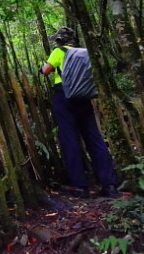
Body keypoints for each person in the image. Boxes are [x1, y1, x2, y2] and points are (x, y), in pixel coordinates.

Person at [40, 27, 120, 198]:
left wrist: (43, 68)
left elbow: (46, 71)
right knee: (94, 138)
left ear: (60, 41)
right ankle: (109, 184)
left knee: (70, 139)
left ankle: (80, 185)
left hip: (64, 95)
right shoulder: (85, 52)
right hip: (84, 95)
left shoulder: (58, 51)